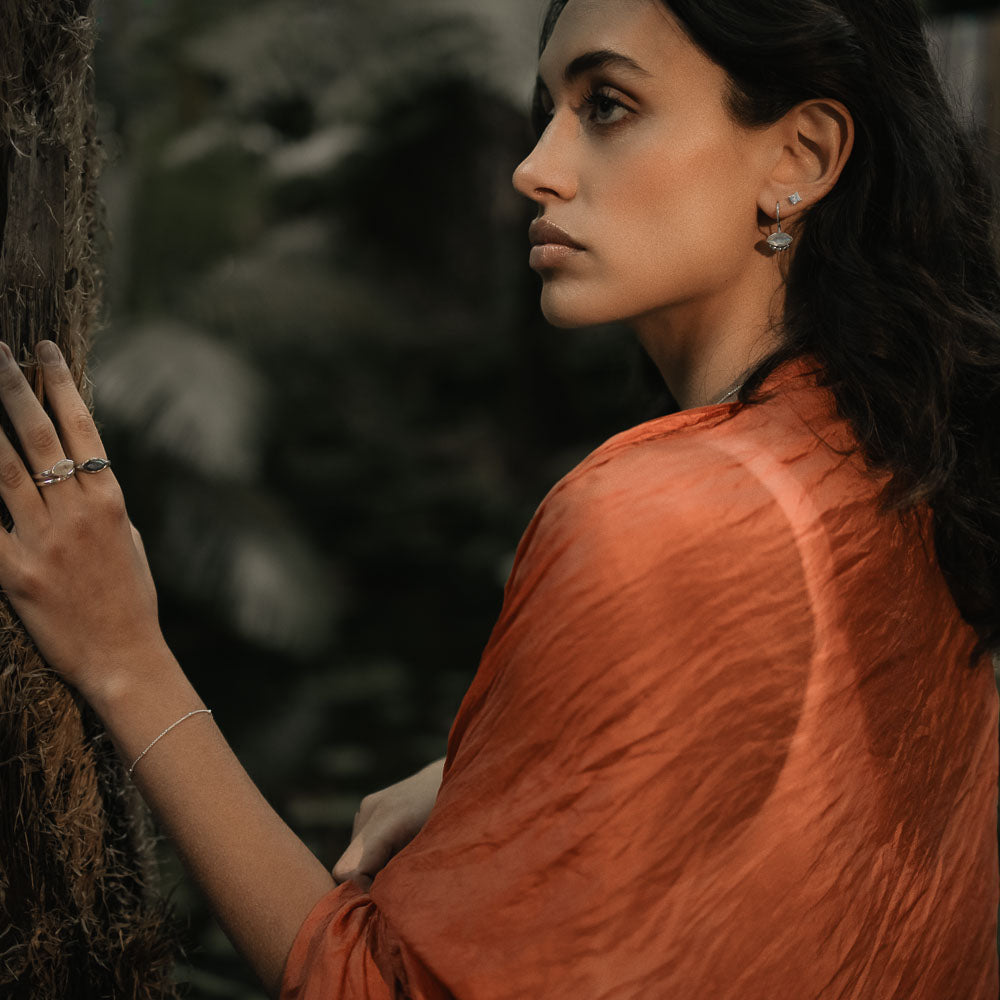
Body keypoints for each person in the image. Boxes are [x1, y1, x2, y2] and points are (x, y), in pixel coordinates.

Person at [2, 0, 998, 996]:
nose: (534, 167)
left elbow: (373, 988)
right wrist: (493, 779)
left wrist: (126, 657)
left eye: (607, 105)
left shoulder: (662, 512)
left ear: (801, 155)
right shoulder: (908, 456)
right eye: (546, 107)